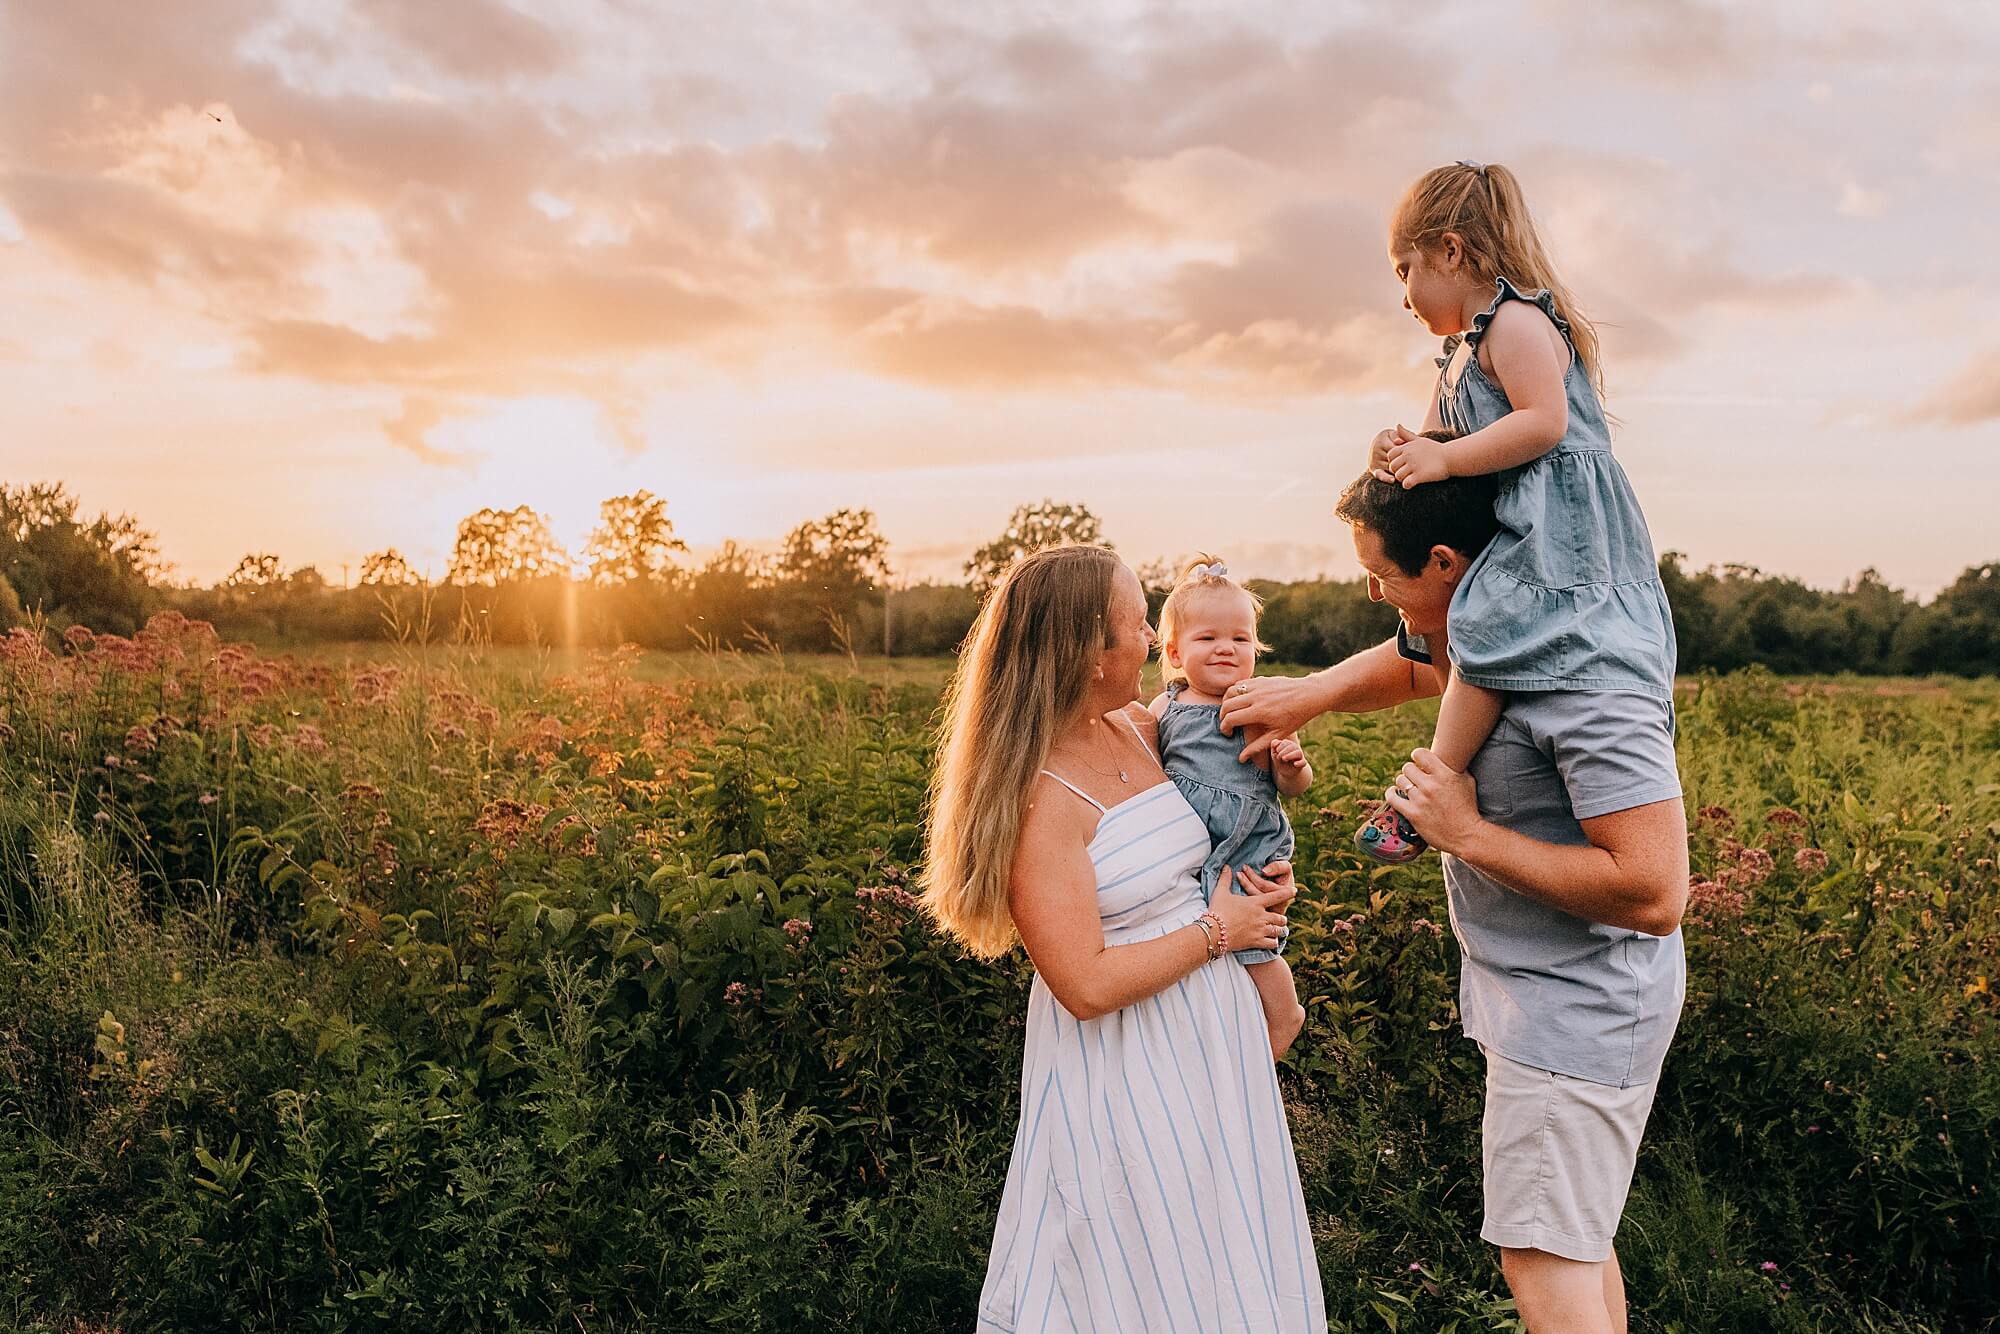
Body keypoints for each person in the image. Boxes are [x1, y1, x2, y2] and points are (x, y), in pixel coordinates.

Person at [1220, 473, 1688, 1334]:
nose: (1371, 591)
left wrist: (1463, 832)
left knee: (1542, 1261)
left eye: (1383, 575)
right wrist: (1310, 694)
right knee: (1575, 1246)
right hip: (1547, 1000)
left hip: (1575, 1016)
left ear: (1445, 562)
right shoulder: (1503, 644)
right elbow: (1416, 662)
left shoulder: (1590, 688)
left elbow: (1657, 893)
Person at [922, 544, 1326, 1332]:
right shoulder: (1039, 797)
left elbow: (1218, 827)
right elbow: (1085, 984)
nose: (1151, 641)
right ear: (1086, 651)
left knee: (1223, 1266)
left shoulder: (1141, 730)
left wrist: (1259, 884)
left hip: (1206, 1051)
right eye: (1138, 625)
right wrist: (1220, 929)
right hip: (1122, 1066)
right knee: (1138, 1275)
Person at [1354, 159, 1677, 864]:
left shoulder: (1517, 323)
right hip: (1519, 532)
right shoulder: (1457, 358)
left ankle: (1431, 786)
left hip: (1565, 531)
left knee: (1480, 625)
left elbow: (1543, 422)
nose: (1402, 294)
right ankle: (1437, 786)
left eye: (1404, 269)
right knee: (1479, 638)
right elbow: (1440, 449)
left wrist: (1442, 460)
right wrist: (1403, 447)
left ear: (1450, 250)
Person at [1148, 556, 1313, 1060]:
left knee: (1251, 935)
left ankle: (1284, 1014)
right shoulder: (1165, 707)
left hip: (1245, 839)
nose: (1226, 647)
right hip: (1189, 837)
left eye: (1241, 639)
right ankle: (1208, 1035)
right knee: (1193, 935)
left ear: (1256, 649)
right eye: (1208, 638)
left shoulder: (1261, 704)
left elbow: (1296, 786)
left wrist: (1290, 762)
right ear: (1175, 652)